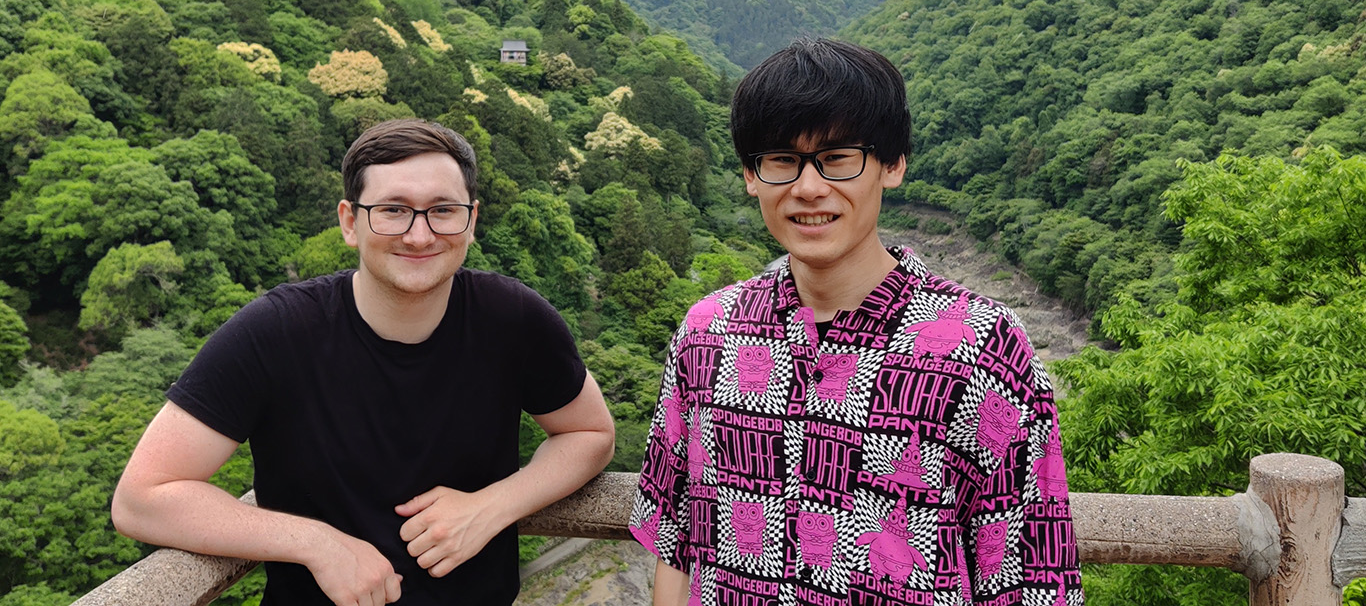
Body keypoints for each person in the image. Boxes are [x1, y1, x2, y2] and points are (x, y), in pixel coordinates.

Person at [630, 38, 1084, 606]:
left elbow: (1029, 577)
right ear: (752, 175)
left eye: (839, 157)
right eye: (782, 160)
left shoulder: (984, 348)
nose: (809, 187)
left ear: (892, 165)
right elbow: (675, 539)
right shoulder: (707, 333)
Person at [113, 119, 615, 606]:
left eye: (443, 210)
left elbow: (589, 433)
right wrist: (315, 542)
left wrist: (493, 506)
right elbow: (142, 498)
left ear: (472, 220)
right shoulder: (275, 333)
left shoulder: (514, 319)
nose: (420, 236)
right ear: (350, 222)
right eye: (393, 210)